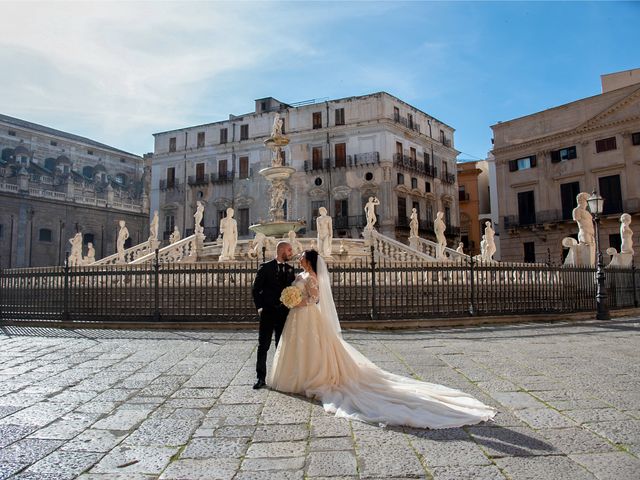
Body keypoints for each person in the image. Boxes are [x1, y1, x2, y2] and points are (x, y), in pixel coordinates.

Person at [268, 249, 497, 429]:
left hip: (306, 315)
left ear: (308, 261)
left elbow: (315, 299)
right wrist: (291, 298)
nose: (298, 260)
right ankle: (298, 375)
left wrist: (298, 301)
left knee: (312, 348)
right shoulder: (300, 275)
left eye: (301, 258)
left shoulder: (313, 278)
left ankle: (308, 376)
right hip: (297, 318)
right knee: (299, 348)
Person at [252, 241, 295, 390]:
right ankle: (260, 377)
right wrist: (260, 308)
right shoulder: (265, 267)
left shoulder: (290, 269)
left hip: (284, 313)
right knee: (263, 345)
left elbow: (292, 290)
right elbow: (256, 289)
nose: (291, 252)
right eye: (289, 250)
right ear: (281, 250)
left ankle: (280, 377)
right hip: (268, 312)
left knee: (281, 345)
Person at [573, 192, 595, 264]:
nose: (587, 203)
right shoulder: (576, 210)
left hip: (591, 233)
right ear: (581, 200)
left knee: (592, 252)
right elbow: (577, 219)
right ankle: (588, 272)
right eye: (587, 201)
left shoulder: (587, 212)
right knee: (587, 250)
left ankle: (591, 272)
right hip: (584, 232)